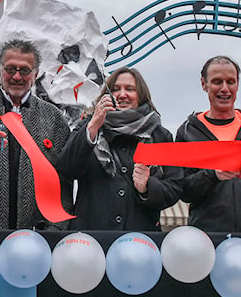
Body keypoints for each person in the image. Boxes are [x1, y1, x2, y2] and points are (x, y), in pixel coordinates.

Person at [0, 38, 71, 229]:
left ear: (36, 74)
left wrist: (56, 228)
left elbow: (62, 182)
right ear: (0, 70)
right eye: (10, 69)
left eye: (24, 70)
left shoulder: (54, 119)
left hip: (37, 236)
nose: (17, 76)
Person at [57, 66, 182, 230]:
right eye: (115, 89)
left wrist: (147, 187)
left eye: (130, 89)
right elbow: (66, 169)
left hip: (140, 238)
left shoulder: (159, 135)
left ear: (141, 94)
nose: (122, 94)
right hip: (92, 238)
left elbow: (175, 187)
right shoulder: (88, 127)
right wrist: (93, 125)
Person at [176, 56, 241, 232]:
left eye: (230, 82)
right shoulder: (187, 132)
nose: (225, 89)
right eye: (217, 82)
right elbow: (183, 190)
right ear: (204, 84)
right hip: (208, 238)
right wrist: (212, 175)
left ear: (237, 85)